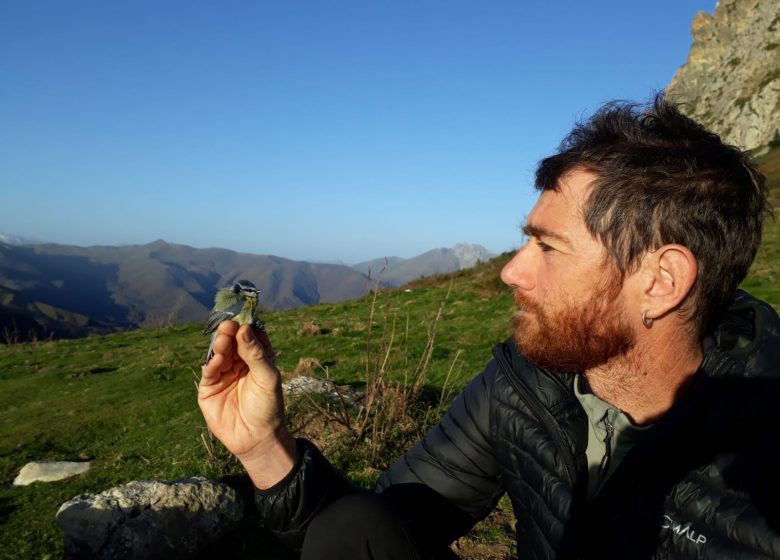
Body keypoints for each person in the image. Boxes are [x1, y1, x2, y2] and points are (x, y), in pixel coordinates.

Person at [198, 95, 780, 559]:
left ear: (660, 280)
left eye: (549, 247)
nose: (510, 271)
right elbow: (368, 534)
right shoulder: (528, 382)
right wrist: (264, 447)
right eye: (526, 238)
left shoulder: (761, 454)